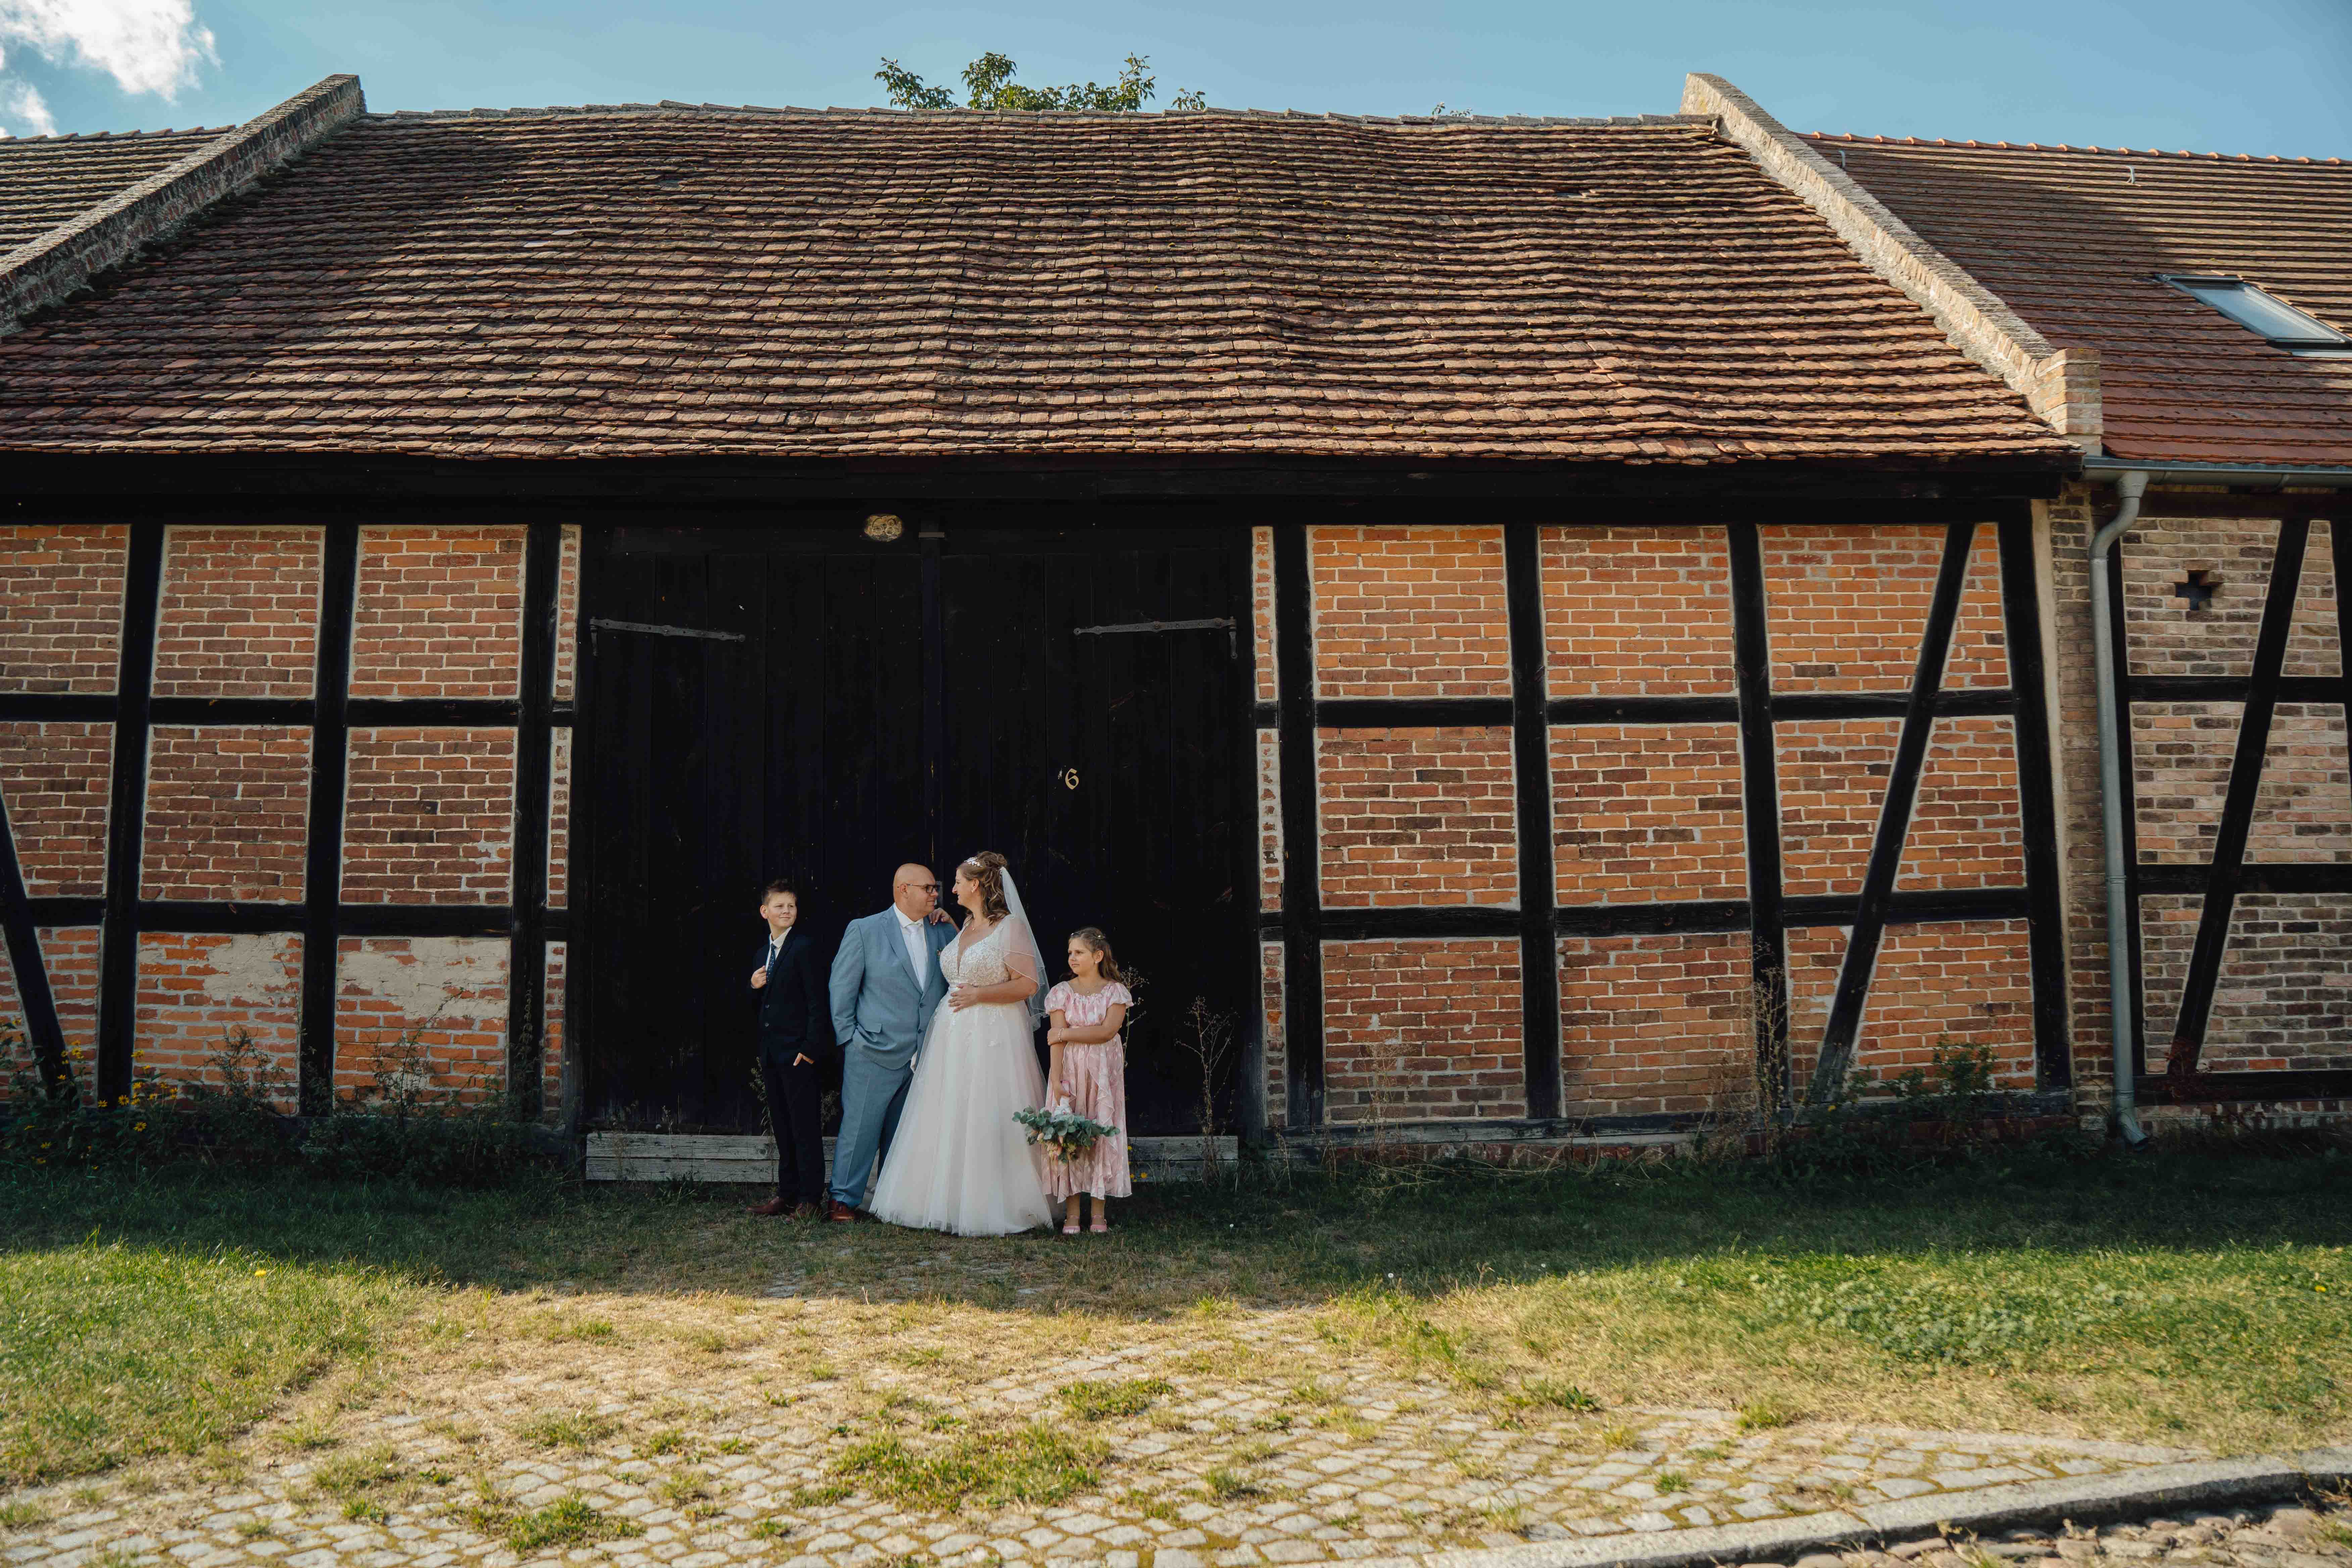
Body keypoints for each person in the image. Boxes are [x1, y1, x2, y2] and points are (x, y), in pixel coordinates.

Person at [867, 852, 1054, 1236]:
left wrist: (980, 994)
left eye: (956, 882)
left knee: (988, 1109)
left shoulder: (1011, 927)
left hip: (993, 1033)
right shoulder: (966, 924)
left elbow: (1028, 985)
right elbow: (966, 962)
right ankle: (944, 1199)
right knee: (949, 1110)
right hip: (951, 1035)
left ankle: (993, 1202)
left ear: (976, 885)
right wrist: (952, 927)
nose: (950, 890)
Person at [825, 864, 957, 1221]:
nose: (935, 894)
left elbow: (961, 972)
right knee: (860, 1128)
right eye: (928, 888)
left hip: (925, 1051)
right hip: (872, 1049)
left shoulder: (943, 931)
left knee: (906, 1133)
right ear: (903, 890)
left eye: (935, 888)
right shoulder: (865, 930)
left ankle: (891, 1200)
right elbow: (841, 988)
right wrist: (850, 1039)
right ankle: (842, 1199)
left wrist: (956, 926)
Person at [746, 880, 829, 1219]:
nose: (786, 911)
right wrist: (753, 987)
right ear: (765, 912)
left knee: (804, 1127)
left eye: (791, 906)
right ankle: (787, 1194)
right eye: (779, 906)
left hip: (798, 1055)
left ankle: (810, 1199)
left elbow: (818, 1002)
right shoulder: (761, 954)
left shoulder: (804, 947)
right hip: (772, 1054)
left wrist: (810, 1048)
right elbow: (762, 1008)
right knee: (782, 1126)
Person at [1043, 927, 1133, 1235]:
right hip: (1070, 1070)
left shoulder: (1115, 992)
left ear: (1098, 956)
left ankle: (1098, 1212)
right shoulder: (1061, 993)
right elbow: (1055, 1042)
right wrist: (1056, 1079)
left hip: (1103, 1074)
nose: (1072, 958)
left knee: (1100, 1134)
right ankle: (1071, 1214)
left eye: (1079, 952)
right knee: (1070, 1136)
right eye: (1070, 953)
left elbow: (1107, 1032)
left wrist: (1065, 1032)